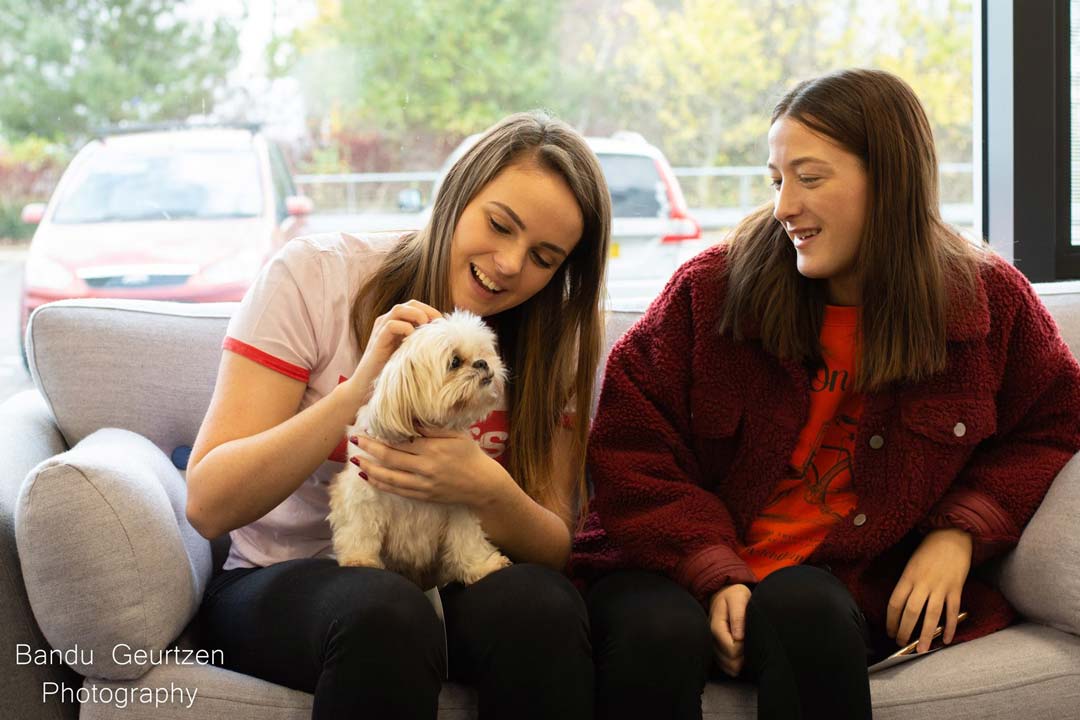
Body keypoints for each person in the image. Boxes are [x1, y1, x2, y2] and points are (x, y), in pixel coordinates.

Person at [572, 68, 1080, 720]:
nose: (783, 206)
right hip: (668, 570)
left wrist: (959, 532)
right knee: (656, 634)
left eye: (808, 178)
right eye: (776, 180)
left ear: (890, 181)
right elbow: (629, 448)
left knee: (803, 607)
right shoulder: (710, 292)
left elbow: (1054, 420)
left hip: (841, 587)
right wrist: (712, 568)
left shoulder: (987, 303)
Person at [185, 110, 611, 720]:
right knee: (386, 614)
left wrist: (484, 485)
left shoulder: (552, 338)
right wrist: (359, 393)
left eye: (544, 257)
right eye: (498, 225)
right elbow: (208, 504)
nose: (512, 264)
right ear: (454, 197)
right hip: (284, 579)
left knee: (544, 606)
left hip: (447, 576)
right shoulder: (315, 277)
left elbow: (551, 545)